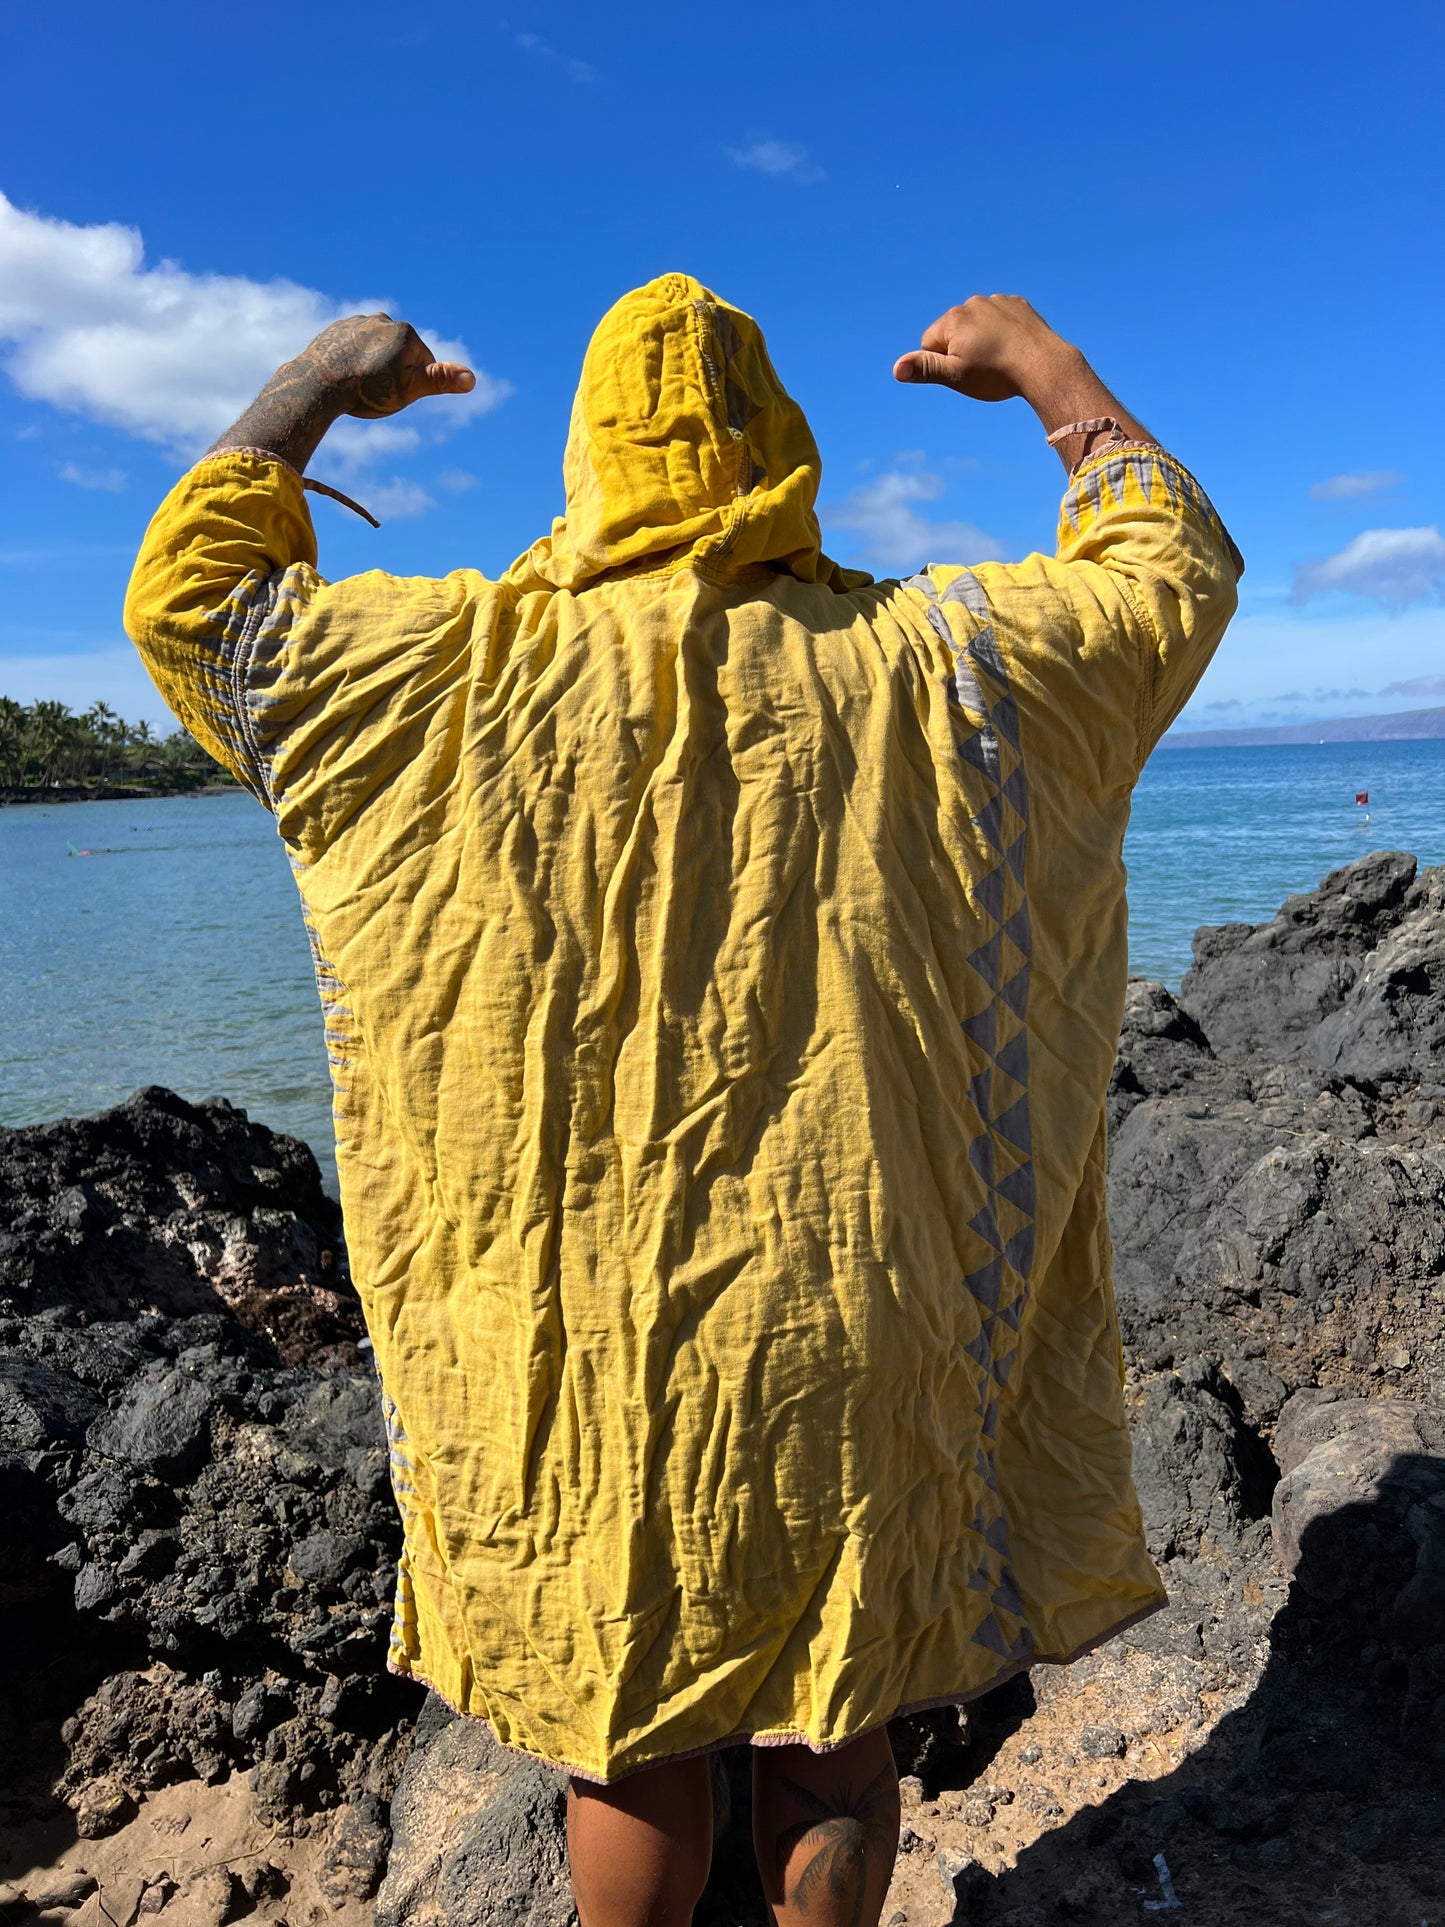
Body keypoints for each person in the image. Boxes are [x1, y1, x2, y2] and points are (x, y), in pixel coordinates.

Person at [125, 276, 1241, 1927]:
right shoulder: (949, 661)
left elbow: (192, 597)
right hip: (866, 1297)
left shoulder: (429, 670)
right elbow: (1167, 576)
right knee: (836, 1718)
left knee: (624, 1733)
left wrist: (314, 386)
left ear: (586, 457)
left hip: (570, 1327)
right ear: (780, 448)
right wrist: (1045, 374)